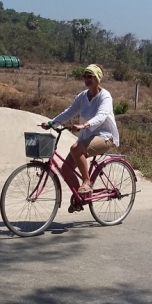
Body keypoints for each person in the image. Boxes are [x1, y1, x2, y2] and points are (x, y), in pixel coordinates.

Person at [42, 63, 120, 201]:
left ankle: (87, 182)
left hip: (105, 137)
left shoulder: (105, 97)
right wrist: (52, 123)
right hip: (87, 137)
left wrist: (84, 125)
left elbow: (101, 116)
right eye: (85, 76)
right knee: (65, 170)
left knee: (76, 149)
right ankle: (80, 198)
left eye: (90, 76)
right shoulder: (83, 96)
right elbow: (69, 112)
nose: (86, 79)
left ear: (97, 78)